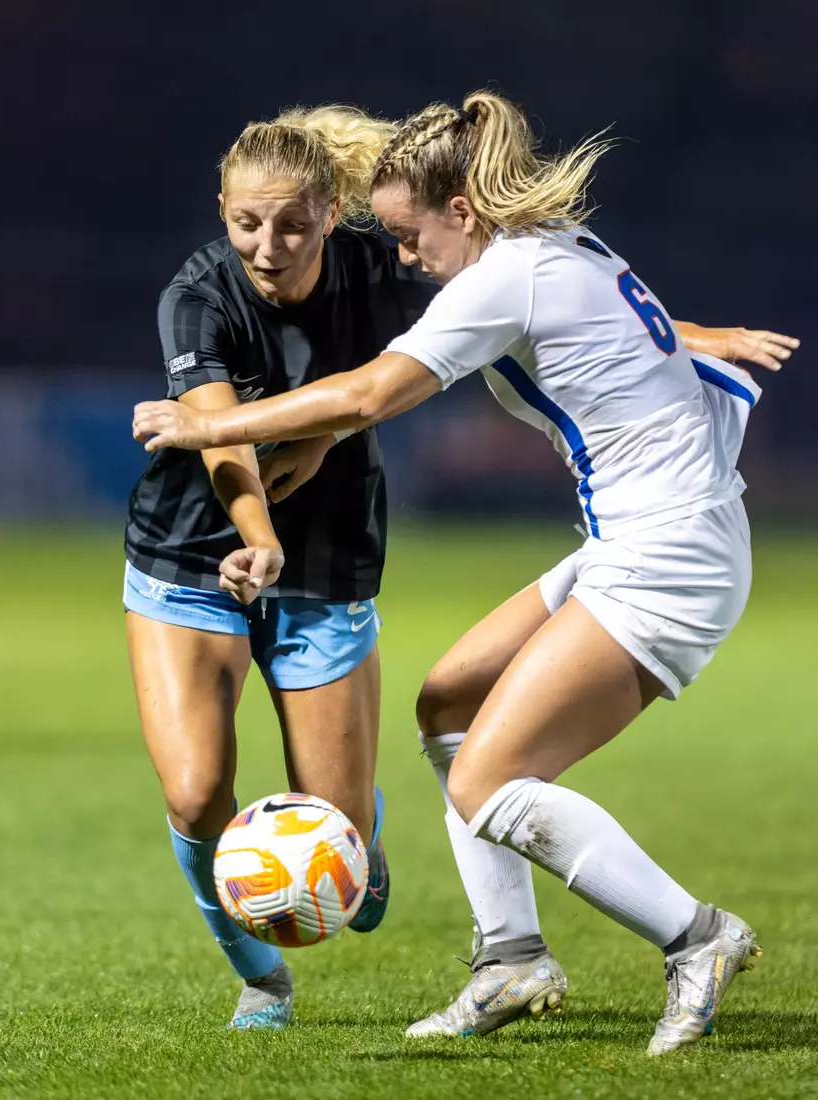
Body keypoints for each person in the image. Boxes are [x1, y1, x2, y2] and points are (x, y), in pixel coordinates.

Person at [132, 93, 799, 1053]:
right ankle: (509, 958)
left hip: (668, 557)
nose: (404, 257)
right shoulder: (554, 244)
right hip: (640, 538)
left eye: (411, 237)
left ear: (461, 211)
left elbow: (369, 392)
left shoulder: (505, 277)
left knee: (488, 777)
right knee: (446, 705)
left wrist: (208, 424)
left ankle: (695, 937)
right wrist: (702, 338)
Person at [123, 104, 439, 1030]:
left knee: (339, 830)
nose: (267, 247)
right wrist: (258, 537)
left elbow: (471, 342)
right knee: (194, 793)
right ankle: (262, 980)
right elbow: (221, 441)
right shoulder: (197, 296)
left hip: (330, 555)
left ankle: (364, 834)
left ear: (332, 212)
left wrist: (331, 431)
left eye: (294, 225)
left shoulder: (379, 268)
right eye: (246, 223)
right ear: (221, 210)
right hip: (191, 552)